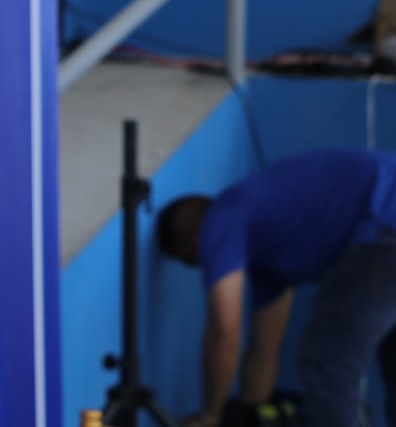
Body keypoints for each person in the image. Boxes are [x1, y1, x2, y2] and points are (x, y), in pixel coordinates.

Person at [157, 148, 396, 427]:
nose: (202, 266)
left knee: (326, 364)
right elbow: (264, 349)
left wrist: (209, 415)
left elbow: (225, 334)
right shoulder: (271, 265)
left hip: (383, 220)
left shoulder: (221, 216)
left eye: (190, 259)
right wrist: (250, 415)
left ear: (193, 229)